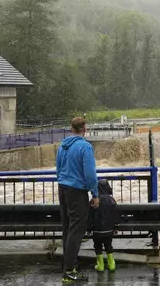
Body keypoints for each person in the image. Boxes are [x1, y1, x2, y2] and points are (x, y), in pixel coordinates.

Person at [56, 117, 99, 284]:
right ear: (84, 129)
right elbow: (90, 173)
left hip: (63, 188)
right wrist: (95, 194)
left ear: (71, 128)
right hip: (77, 191)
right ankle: (69, 272)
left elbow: (58, 168)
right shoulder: (85, 147)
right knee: (76, 230)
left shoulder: (63, 146)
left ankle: (69, 267)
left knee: (67, 228)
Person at [88, 179, 119, 272]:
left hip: (97, 231)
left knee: (97, 246)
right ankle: (111, 264)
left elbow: (90, 216)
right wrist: (116, 226)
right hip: (109, 230)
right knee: (108, 246)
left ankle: (100, 265)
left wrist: (89, 229)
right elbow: (116, 215)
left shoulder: (93, 201)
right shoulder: (112, 200)